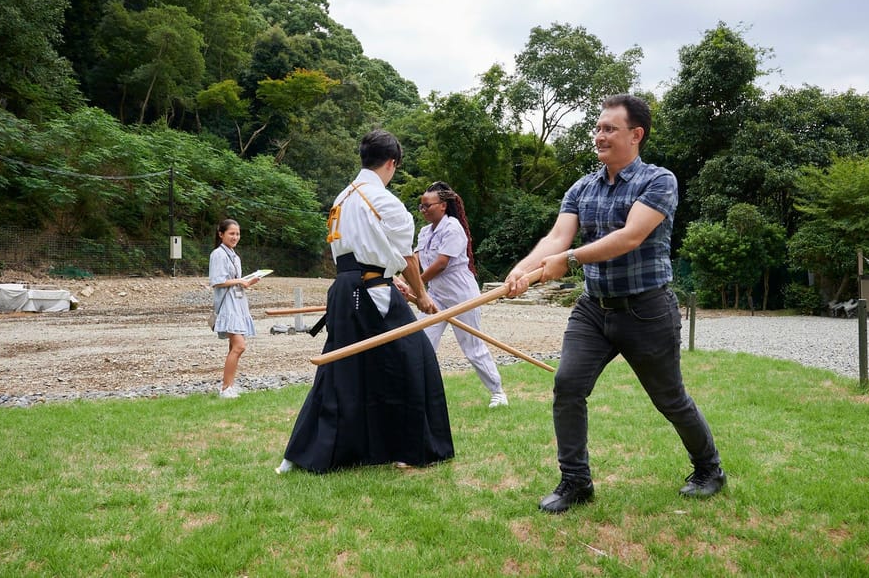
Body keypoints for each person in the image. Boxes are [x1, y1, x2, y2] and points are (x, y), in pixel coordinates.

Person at [505, 94, 725, 514]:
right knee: (567, 386)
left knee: (670, 399)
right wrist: (522, 270)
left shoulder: (658, 181)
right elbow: (556, 239)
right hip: (593, 308)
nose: (599, 135)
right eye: (598, 127)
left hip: (646, 309)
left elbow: (629, 237)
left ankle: (709, 469)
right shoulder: (582, 187)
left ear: (635, 135)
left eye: (610, 128)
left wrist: (568, 260)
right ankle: (575, 482)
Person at [276, 130, 454, 474]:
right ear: (392, 163)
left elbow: (363, 254)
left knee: (341, 367)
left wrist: (395, 281)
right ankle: (413, 449)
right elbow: (408, 258)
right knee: (415, 358)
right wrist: (422, 296)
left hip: (346, 290)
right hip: (372, 294)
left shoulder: (342, 198)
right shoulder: (383, 200)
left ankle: (298, 455)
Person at [410, 181, 508, 408]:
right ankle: (420, 395)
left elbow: (441, 264)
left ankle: (498, 392)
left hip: (461, 295)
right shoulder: (425, 232)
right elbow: (414, 261)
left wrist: (417, 286)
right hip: (436, 296)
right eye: (421, 207)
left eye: (427, 206)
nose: (423, 210)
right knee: (421, 342)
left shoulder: (453, 228)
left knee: (472, 346)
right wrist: (406, 282)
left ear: (443, 206)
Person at [209, 219, 260, 399]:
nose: (235, 237)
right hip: (227, 306)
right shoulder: (218, 255)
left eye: (237, 234)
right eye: (231, 233)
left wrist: (248, 282)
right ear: (221, 234)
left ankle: (229, 386)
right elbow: (217, 281)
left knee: (233, 346)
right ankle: (225, 388)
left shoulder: (234, 255)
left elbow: (236, 281)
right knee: (239, 346)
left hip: (238, 303)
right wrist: (240, 281)